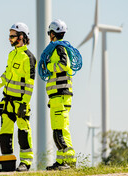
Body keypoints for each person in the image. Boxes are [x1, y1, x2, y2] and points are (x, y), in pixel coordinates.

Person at [0, 22, 36, 172]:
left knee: (23, 132)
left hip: (20, 102)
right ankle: (8, 161)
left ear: (21, 37)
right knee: (4, 133)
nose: (9, 39)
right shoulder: (11, 54)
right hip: (7, 101)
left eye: (12, 36)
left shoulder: (28, 57)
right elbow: (6, 75)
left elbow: (30, 83)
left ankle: (26, 162)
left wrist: (24, 104)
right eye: (9, 36)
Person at [43, 19, 77, 170]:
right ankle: (63, 161)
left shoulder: (59, 48)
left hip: (60, 95)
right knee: (62, 130)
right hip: (60, 96)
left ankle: (68, 162)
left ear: (52, 33)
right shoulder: (61, 48)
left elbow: (64, 65)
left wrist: (48, 66)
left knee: (59, 131)